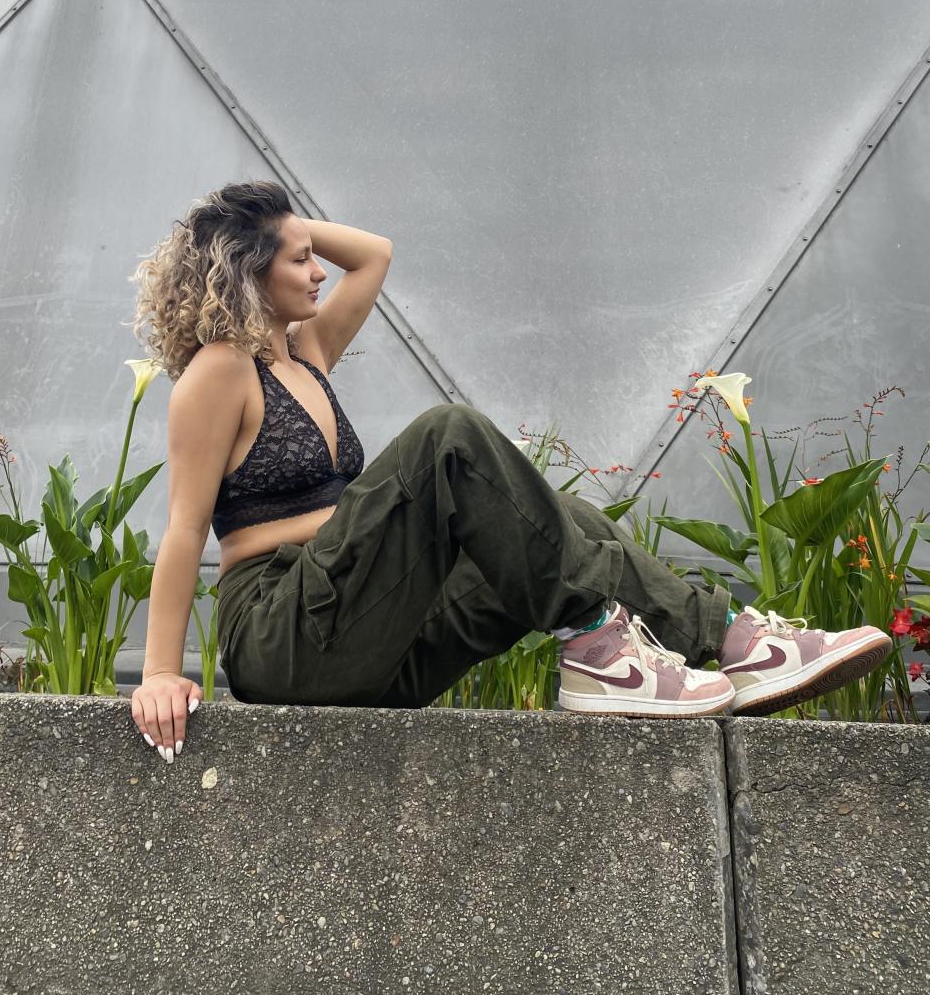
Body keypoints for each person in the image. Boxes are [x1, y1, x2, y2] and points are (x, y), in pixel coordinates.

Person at [127, 181, 891, 763]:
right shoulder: (220, 370)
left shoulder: (309, 353)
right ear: (251, 270)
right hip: (283, 636)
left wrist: (282, 225)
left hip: (368, 642)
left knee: (567, 521)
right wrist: (161, 671)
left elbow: (375, 254)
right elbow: (186, 530)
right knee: (448, 436)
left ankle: (730, 639)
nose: (320, 269)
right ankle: (602, 644)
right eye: (300, 260)